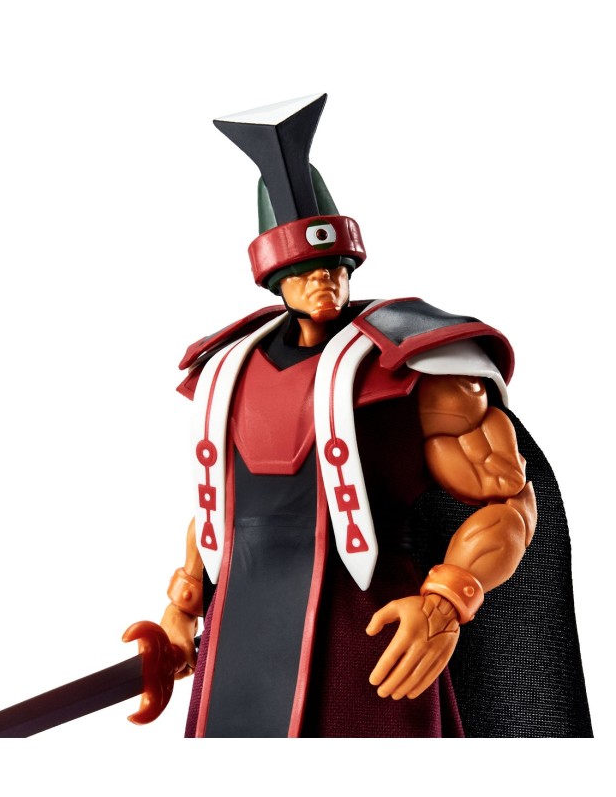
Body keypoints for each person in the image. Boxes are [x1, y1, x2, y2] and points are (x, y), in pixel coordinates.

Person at [159, 94, 591, 737]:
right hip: (237, 641)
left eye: (334, 264)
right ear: (273, 278)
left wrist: (446, 601)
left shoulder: (416, 364)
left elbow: (508, 502)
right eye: (304, 269)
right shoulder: (227, 368)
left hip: (374, 633)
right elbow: (220, 505)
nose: (324, 281)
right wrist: (182, 604)